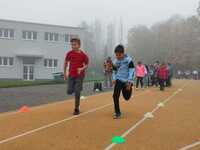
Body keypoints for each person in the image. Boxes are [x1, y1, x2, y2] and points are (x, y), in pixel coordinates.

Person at [64, 38, 89, 115]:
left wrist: (81, 68)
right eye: (72, 45)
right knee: (69, 91)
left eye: (74, 44)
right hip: (71, 75)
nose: (73, 46)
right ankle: (77, 87)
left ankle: (76, 109)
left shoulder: (83, 55)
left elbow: (87, 65)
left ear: (79, 45)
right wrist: (65, 73)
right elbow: (65, 63)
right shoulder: (69, 53)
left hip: (79, 76)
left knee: (77, 92)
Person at [112, 45, 134, 119]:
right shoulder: (115, 61)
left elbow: (132, 70)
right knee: (115, 95)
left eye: (119, 55)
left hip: (127, 81)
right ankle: (117, 112)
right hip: (119, 79)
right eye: (116, 55)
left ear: (123, 53)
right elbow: (114, 71)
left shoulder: (128, 60)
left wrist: (129, 81)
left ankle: (130, 88)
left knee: (127, 97)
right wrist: (114, 78)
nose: (118, 56)